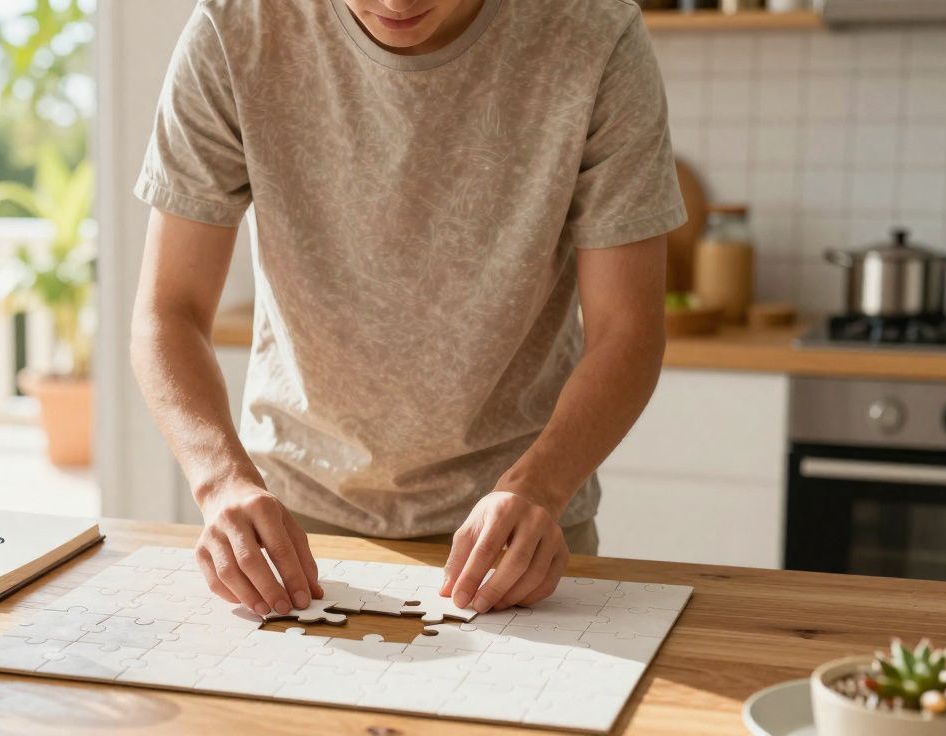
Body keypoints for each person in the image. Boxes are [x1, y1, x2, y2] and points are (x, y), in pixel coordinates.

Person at [130, 0, 684, 619]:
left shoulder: (594, 33)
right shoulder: (236, 30)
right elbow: (167, 311)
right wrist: (220, 482)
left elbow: (627, 329)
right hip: (293, 528)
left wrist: (541, 488)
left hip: (520, 528)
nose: (396, 3)